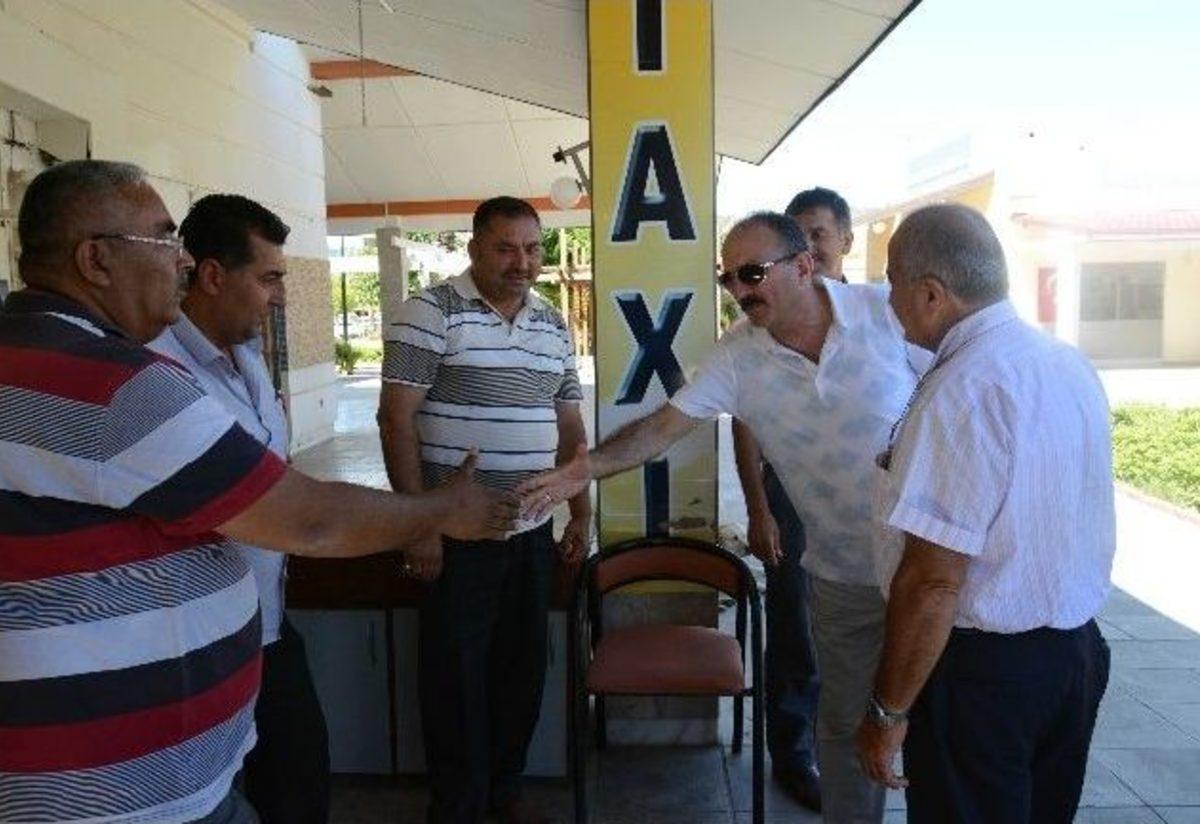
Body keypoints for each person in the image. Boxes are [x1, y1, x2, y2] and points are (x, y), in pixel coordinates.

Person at [0, 160, 516, 824]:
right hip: (119, 789)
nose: (182, 260)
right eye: (164, 239)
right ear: (96, 259)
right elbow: (308, 519)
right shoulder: (114, 385)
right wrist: (444, 509)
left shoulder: (35, 359)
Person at [519, 211, 927, 823]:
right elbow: (662, 427)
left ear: (804, 267)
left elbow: (956, 390)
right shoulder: (737, 356)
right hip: (844, 577)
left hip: (931, 565)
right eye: (727, 278)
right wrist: (586, 469)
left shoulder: (885, 313)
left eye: (751, 273)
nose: (739, 289)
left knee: (946, 725)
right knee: (845, 728)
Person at [856, 203, 1114, 823]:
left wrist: (888, 712)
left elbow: (933, 582)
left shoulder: (966, 389)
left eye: (893, 283)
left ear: (931, 294)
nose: (889, 301)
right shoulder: (1063, 362)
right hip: (1073, 659)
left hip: (985, 677)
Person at [377, 196, 589, 824]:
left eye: (532, 248)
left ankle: (504, 792)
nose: (522, 262)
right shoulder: (431, 311)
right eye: (505, 248)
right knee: (454, 679)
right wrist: (419, 525)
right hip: (455, 537)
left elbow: (570, 428)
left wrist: (580, 512)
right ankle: (458, 807)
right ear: (473, 249)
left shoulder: (552, 323)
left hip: (531, 532)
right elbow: (395, 420)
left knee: (522, 672)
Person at [147, 194, 329, 823]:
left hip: (268, 624)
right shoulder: (160, 372)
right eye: (269, 277)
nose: (279, 296)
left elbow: (278, 476)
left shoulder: (247, 361)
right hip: (199, 645)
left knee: (301, 784)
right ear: (213, 275)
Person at [730, 185, 856, 810]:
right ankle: (793, 755)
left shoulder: (878, 317)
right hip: (790, 498)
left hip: (868, 505)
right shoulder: (757, 333)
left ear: (844, 242)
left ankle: (857, 751)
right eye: (799, 236)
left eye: (820, 235)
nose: (810, 248)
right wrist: (759, 509)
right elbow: (744, 422)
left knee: (862, 634)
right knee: (795, 631)